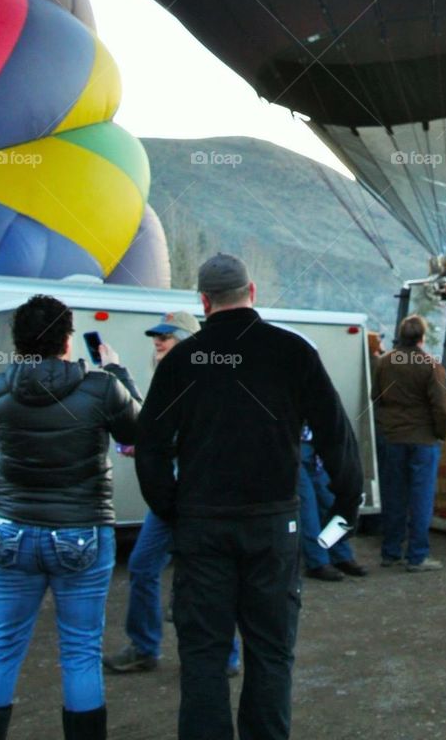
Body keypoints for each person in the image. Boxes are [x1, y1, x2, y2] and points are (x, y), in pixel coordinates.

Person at [135, 253, 363, 740]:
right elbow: (335, 436)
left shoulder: (181, 360)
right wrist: (344, 512)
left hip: (202, 525)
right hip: (273, 525)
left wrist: (171, 509)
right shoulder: (293, 352)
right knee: (271, 652)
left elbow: (149, 446)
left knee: (203, 655)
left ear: (203, 301)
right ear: (252, 292)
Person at [0, 295, 141, 740]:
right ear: (67, 339)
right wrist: (118, 371)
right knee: (81, 651)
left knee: (0, 647)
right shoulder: (102, 386)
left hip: (10, 530)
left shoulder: (0, 388)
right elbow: (141, 431)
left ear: (18, 343)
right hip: (80, 532)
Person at [103, 311, 241, 676]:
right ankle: (147, 647)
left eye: (167, 336)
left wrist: (159, 444)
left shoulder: (205, 378)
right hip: (174, 494)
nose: (158, 342)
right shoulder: (175, 376)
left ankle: (222, 656)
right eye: (157, 337)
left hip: (201, 494)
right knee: (146, 566)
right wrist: (118, 374)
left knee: (204, 573)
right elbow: (150, 421)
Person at [372, 314, 446, 572]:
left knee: (393, 495)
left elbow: (376, 397)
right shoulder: (430, 365)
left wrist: (385, 426)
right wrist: (441, 433)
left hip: (393, 437)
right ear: (421, 337)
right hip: (423, 440)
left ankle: (390, 551)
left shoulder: (385, 363)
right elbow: (441, 406)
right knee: (421, 498)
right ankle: (417, 555)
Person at [299, 429, 368, 580]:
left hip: (312, 441)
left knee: (325, 501)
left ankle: (335, 557)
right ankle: (320, 561)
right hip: (305, 440)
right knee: (309, 506)